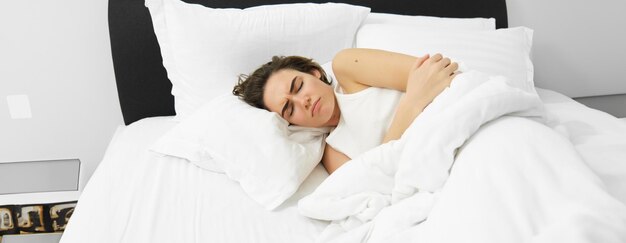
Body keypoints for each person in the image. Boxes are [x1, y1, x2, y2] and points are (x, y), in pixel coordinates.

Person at [233, 48, 458, 174]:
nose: (304, 101)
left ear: (314, 73)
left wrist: (390, 144)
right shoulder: (332, 153)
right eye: (290, 109)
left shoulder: (347, 67)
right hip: (438, 167)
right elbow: (376, 182)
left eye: (299, 86)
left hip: (456, 115)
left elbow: (437, 75)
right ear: (290, 124)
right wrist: (413, 103)